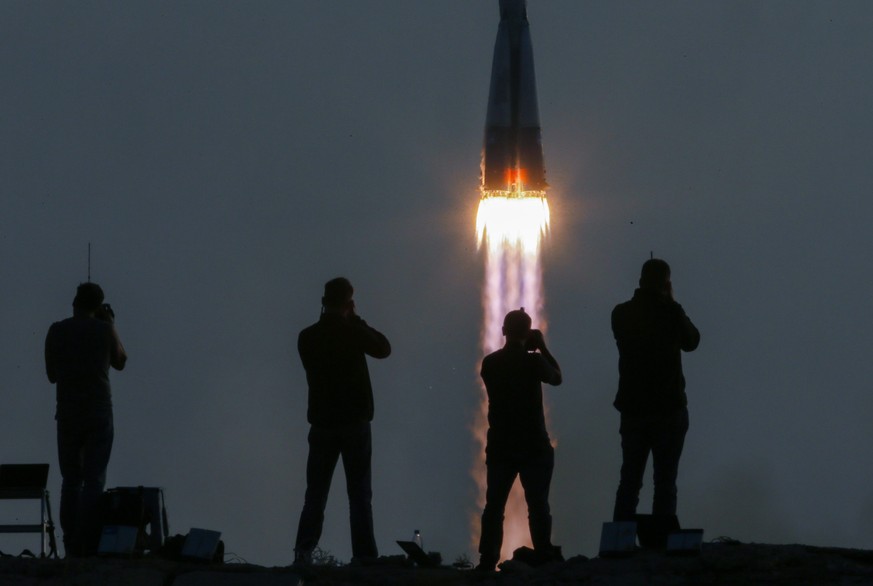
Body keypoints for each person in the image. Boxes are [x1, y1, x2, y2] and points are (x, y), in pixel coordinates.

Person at [293, 277, 391, 565]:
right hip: (354, 423)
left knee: (315, 495)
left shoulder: (307, 336)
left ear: (323, 302)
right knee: (359, 497)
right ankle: (363, 557)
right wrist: (357, 320)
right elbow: (383, 348)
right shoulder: (352, 332)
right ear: (349, 303)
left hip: (322, 424)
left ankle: (303, 552)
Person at [611, 258, 700, 527]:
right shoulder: (671, 312)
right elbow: (692, 341)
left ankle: (619, 541)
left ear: (640, 281)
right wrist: (671, 302)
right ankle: (660, 543)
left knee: (629, 481)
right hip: (668, 409)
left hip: (633, 409)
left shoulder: (621, 313)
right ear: (666, 283)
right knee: (665, 481)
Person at [44, 282, 127, 557]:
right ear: (98, 306)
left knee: (71, 480)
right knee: (94, 480)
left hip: (67, 411)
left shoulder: (56, 330)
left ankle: (70, 542)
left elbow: (51, 374)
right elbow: (120, 360)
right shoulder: (104, 330)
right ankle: (88, 543)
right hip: (98, 410)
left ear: (74, 303)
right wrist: (111, 324)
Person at [477, 308, 562, 572]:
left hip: (501, 444)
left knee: (494, 506)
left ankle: (487, 560)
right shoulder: (534, 363)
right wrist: (542, 347)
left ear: (503, 331)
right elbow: (557, 377)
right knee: (538, 506)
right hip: (533, 444)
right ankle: (544, 553)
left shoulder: (490, 363)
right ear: (528, 333)